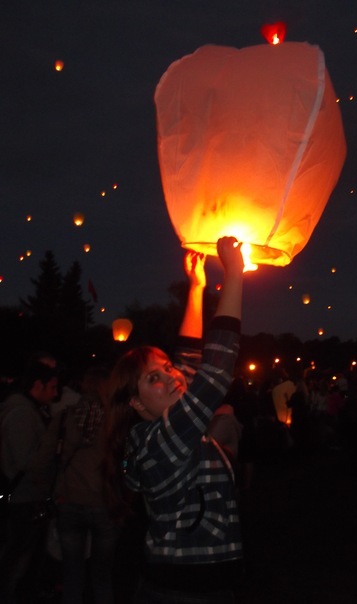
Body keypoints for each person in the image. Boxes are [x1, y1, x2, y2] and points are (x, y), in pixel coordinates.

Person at [104, 237, 244, 604]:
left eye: (167, 368)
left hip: (196, 588)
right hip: (181, 593)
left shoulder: (159, 432)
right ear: (135, 402)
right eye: (154, 377)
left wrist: (196, 288)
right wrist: (234, 274)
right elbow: (215, 372)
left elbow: (189, 361)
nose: (172, 377)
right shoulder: (159, 442)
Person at [32, 365, 117, 604]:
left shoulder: (65, 417)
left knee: (71, 573)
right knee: (102, 575)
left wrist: (46, 488)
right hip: (104, 502)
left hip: (68, 500)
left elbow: (41, 461)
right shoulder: (114, 421)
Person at [0, 360, 59, 604]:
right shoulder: (23, 413)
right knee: (18, 555)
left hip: (25, 495)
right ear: (37, 385)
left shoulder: (26, 410)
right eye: (52, 387)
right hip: (24, 497)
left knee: (19, 553)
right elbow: (27, 461)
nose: (55, 393)